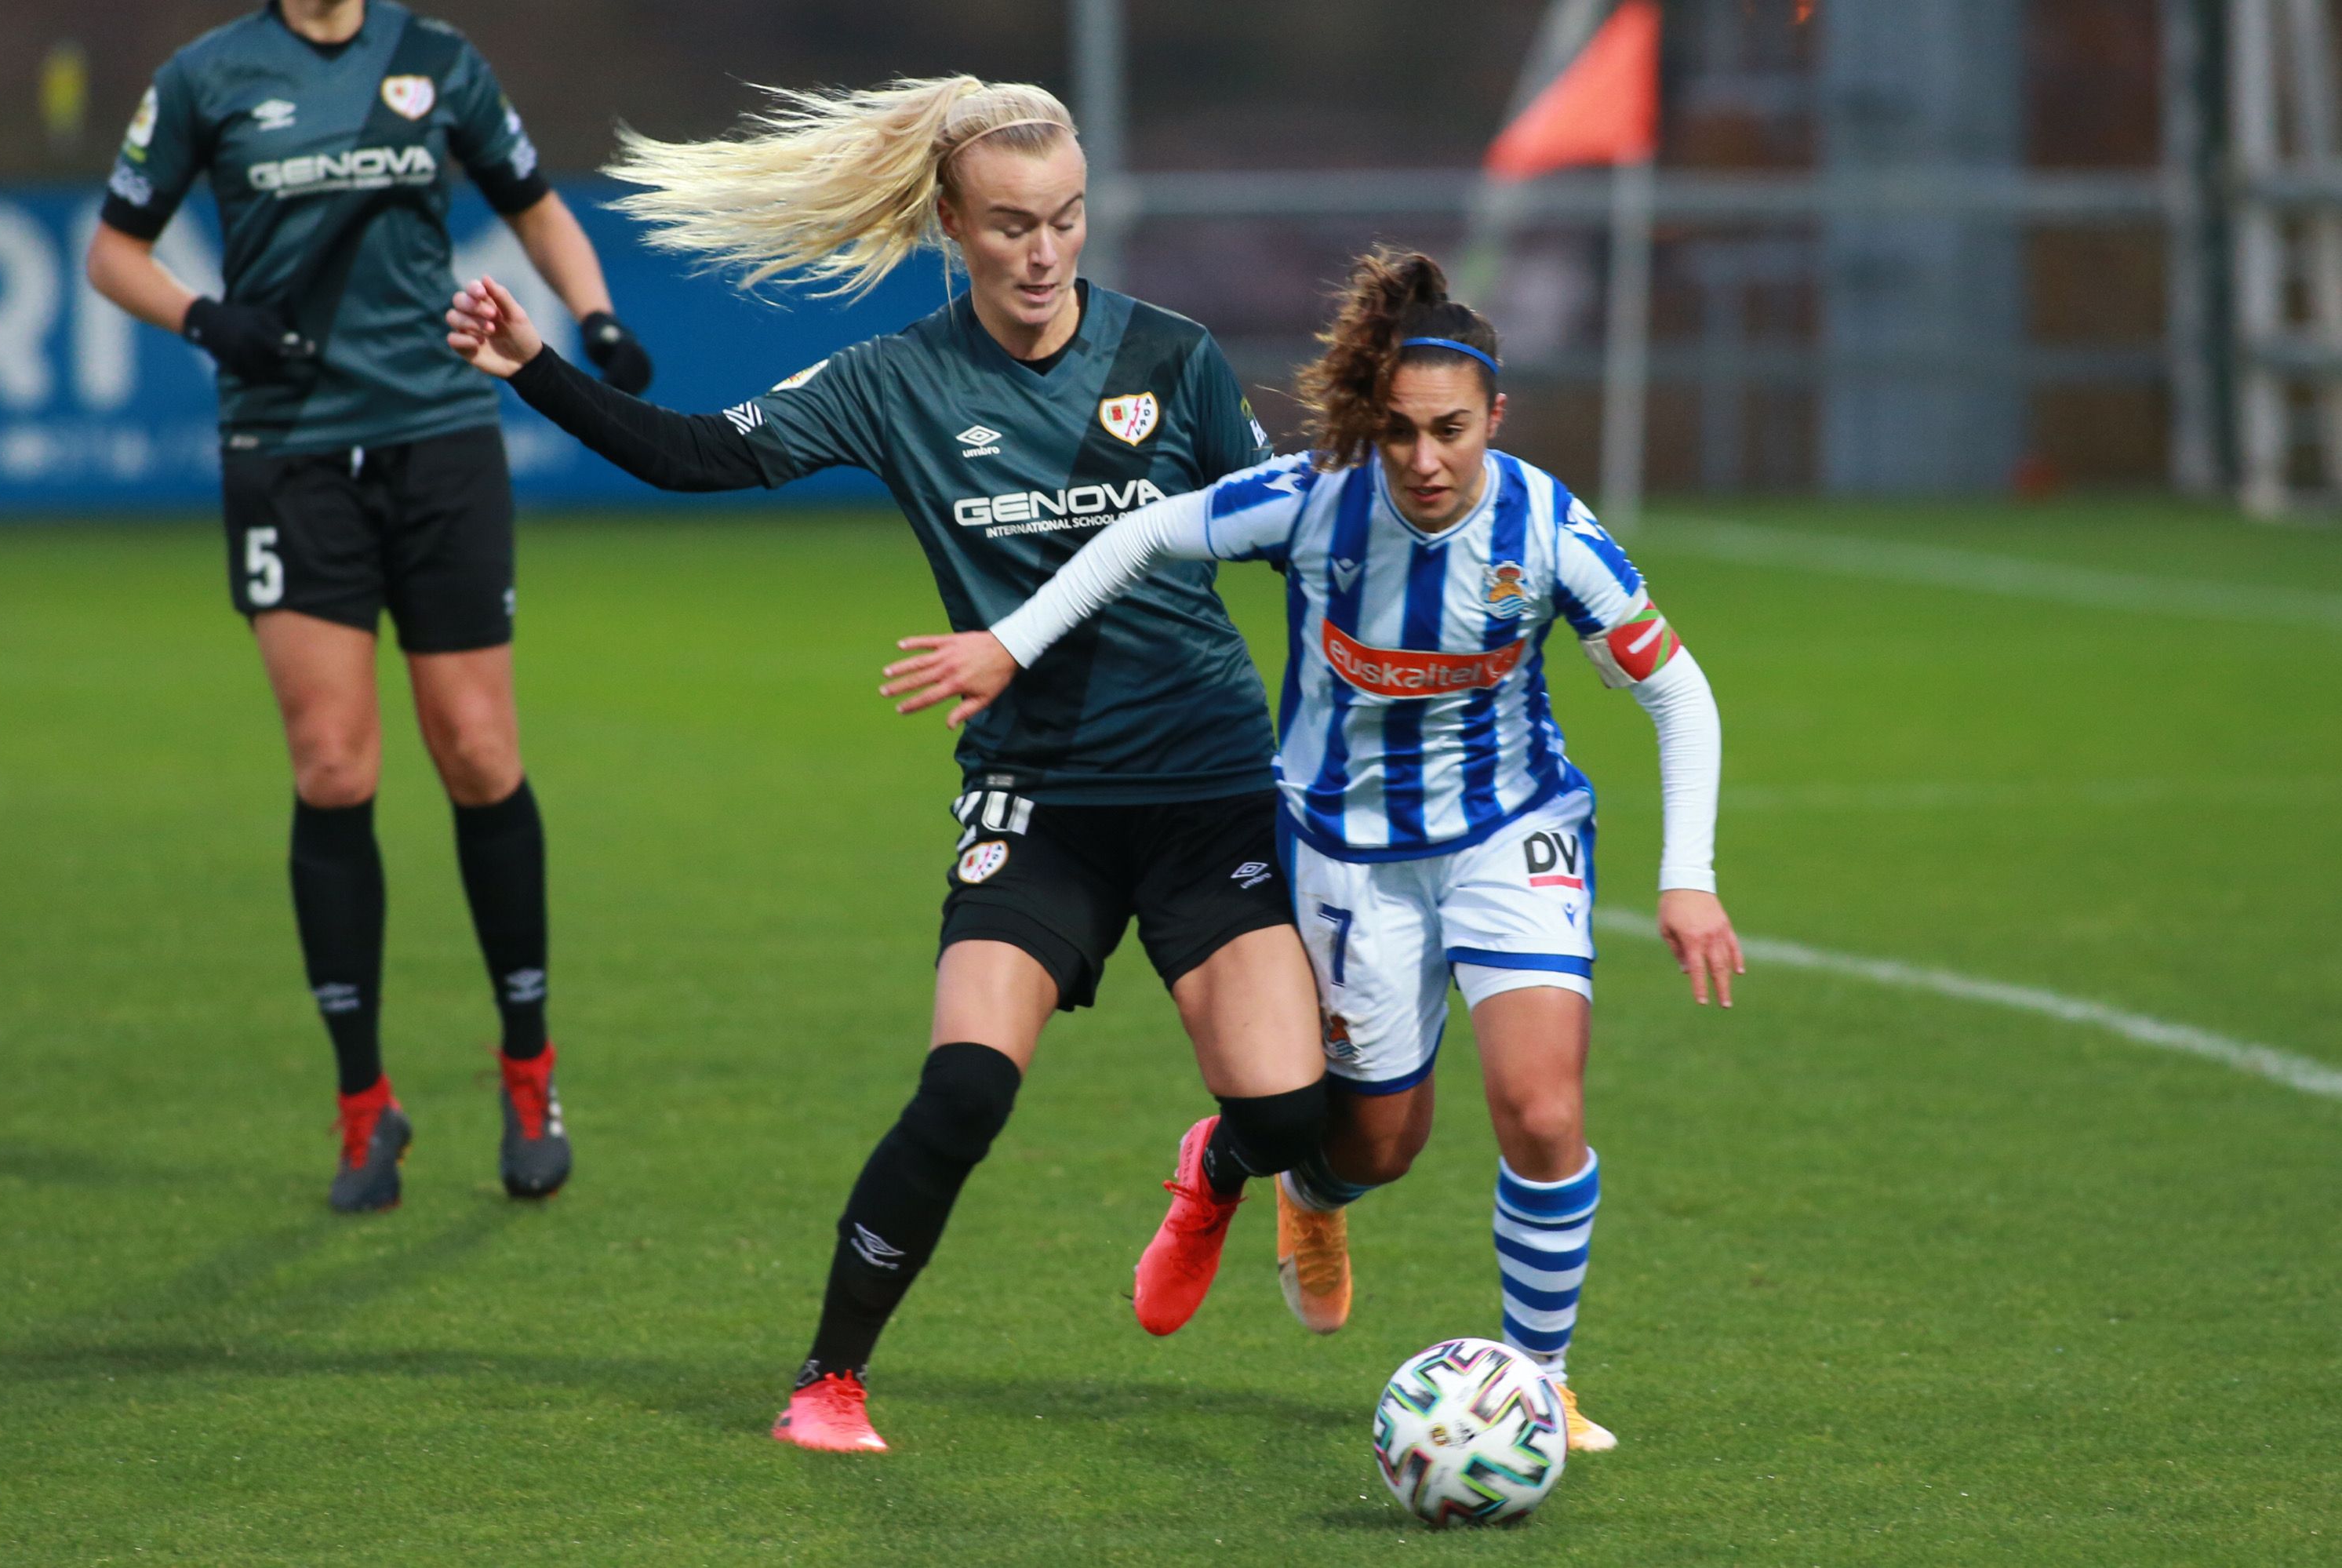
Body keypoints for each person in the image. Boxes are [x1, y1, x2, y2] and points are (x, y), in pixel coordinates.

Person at [442, 76, 1327, 1454]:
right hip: (1037, 801)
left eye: (1068, 220)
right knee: (966, 1087)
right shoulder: (896, 379)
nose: (1043, 255)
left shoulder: (1177, 359)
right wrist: (533, 370)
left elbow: (1288, 539)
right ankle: (829, 1381)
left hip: (1207, 785)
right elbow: (696, 456)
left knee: (1292, 1118)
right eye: (1011, 225)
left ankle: (1215, 1168)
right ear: (951, 227)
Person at [882, 249, 1747, 1453]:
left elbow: (1679, 693)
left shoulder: (1552, 527)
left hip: (1512, 832)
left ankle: (1536, 1389)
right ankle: (1279, 1184)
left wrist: (1687, 877)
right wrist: (1012, 644)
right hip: (1346, 851)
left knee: (1541, 1109)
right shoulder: (1311, 498)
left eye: (1451, 429)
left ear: (1497, 414)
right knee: (1376, 1145)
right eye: (1398, 431)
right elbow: (1139, 536)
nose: (1426, 460)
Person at [85, 0, 653, 1213]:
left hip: (439, 441)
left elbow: (534, 203)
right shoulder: (208, 76)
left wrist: (594, 317)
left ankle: (529, 1070)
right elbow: (112, 251)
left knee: (481, 755)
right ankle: (363, 1109)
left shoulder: (437, 60)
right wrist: (207, 317)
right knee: (335, 770)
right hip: (287, 454)